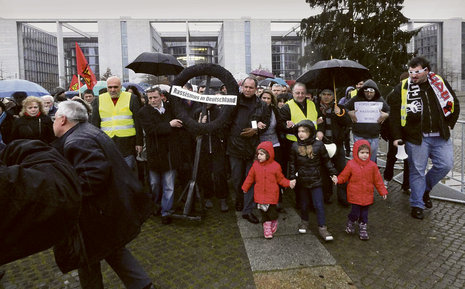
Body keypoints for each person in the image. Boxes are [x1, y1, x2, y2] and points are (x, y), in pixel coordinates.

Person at [52, 100, 154, 289]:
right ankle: (143, 284)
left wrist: (64, 192)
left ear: (63, 119)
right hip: (104, 213)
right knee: (112, 251)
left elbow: (92, 178)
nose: (53, 122)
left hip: (94, 217)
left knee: (89, 258)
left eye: (55, 118)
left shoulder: (78, 140)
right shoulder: (88, 131)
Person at [389, 56, 460, 220]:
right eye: (411, 72)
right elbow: (393, 113)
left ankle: (424, 190)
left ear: (426, 71)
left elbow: (453, 102)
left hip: (440, 136)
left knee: (445, 165)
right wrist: (397, 136)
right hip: (416, 138)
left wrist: (449, 123)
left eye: (417, 72)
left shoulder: (438, 83)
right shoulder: (403, 87)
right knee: (417, 171)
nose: (413, 76)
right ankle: (417, 204)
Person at [226, 77, 270, 224]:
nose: (248, 90)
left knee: (250, 180)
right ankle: (239, 199)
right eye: (245, 87)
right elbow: (225, 121)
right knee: (237, 178)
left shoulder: (262, 105)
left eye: (251, 87)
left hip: (252, 148)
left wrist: (257, 129)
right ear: (242, 87)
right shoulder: (234, 102)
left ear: (256, 89)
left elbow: (266, 122)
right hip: (235, 146)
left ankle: (247, 210)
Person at [137, 87, 182, 224]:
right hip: (154, 154)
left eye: (155, 97)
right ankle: (156, 204)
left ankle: (166, 212)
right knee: (154, 184)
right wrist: (169, 125)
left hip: (170, 153)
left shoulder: (170, 108)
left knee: (169, 185)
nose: (152, 100)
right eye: (150, 98)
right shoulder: (143, 112)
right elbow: (151, 130)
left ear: (161, 96)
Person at [289, 120, 337, 241]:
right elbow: (292, 164)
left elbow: (326, 160)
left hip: (316, 180)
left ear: (310, 132)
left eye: (304, 131)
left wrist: (333, 173)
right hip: (302, 181)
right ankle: (304, 222)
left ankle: (322, 228)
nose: (301, 134)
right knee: (304, 204)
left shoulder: (319, 145)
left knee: (319, 204)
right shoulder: (295, 146)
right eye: (299, 131)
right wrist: (292, 178)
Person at [332, 140, 388, 240]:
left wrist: (382, 191)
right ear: (356, 153)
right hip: (355, 195)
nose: (365, 155)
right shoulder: (351, 164)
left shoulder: (373, 166)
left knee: (364, 214)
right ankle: (351, 222)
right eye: (362, 153)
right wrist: (338, 180)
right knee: (355, 212)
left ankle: (363, 228)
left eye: (367, 153)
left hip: (367, 196)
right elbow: (344, 176)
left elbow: (378, 180)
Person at [241, 141, 295, 239]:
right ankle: (267, 229)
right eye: (258, 154)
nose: (259, 156)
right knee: (264, 214)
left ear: (268, 154)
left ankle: (273, 221)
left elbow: (281, 179)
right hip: (260, 195)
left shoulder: (275, 166)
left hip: (272, 195)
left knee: (272, 213)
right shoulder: (255, 166)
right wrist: (245, 187)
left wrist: (288, 183)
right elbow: (250, 178)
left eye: (262, 154)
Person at [91, 76, 143, 171]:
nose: (112, 90)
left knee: (126, 173)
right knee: (111, 174)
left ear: (120, 87)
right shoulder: (98, 100)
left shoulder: (132, 98)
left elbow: (138, 122)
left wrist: (139, 142)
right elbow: (95, 124)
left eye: (115, 87)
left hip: (127, 143)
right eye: (110, 87)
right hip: (106, 143)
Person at [315, 89, 351, 206]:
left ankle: (342, 196)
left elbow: (348, 122)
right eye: (324, 94)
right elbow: (313, 124)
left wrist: (340, 113)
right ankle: (327, 195)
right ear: (320, 95)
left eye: (329, 94)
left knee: (341, 170)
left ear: (333, 96)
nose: (326, 97)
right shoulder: (316, 108)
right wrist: (318, 128)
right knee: (325, 171)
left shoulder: (340, 107)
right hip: (323, 145)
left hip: (337, 145)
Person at [195, 102, 229, 212]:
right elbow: (193, 129)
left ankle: (222, 197)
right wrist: (200, 124)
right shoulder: (197, 112)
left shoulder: (219, 112)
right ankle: (208, 196)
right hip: (204, 148)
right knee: (205, 173)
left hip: (217, 147)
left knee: (219, 173)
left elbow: (225, 127)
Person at [345, 79, 389, 163]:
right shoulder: (356, 98)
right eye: (366, 91)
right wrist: (349, 113)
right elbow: (345, 107)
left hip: (374, 136)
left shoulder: (380, 100)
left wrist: (386, 115)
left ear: (375, 91)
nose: (369, 94)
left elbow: (388, 110)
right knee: (359, 159)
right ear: (363, 90)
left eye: (371, 92)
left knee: (371, 159)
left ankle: (370, 174)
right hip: (358, 135)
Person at [381, 72, 410, 191]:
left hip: (408, 133)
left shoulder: (414, 95)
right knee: (392, 157)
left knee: (408, 160)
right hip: (395, 132)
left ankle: (406, 184)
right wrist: (387, 133)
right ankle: (387, 179)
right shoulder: (393, 94)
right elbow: (389, 115)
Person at [259, 89, 287, 210]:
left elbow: (280, 124)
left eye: (268, 98)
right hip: (260, 145)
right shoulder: (256, 110)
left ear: (272, 100)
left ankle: (277, 199)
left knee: (276, 172)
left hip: (274, 144)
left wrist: (288, 125)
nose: (265, 100)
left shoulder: (274, 110)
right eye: (263, 98)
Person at [339, 86, 355, 157]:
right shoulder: (343, 100)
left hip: (353, 120)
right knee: (346, 137)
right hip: (345, 121)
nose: (350, 92)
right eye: (349, 91)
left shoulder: (355, 99)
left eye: (352, 91)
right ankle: (347, 151)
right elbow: (340, 107)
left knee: (351, 137)